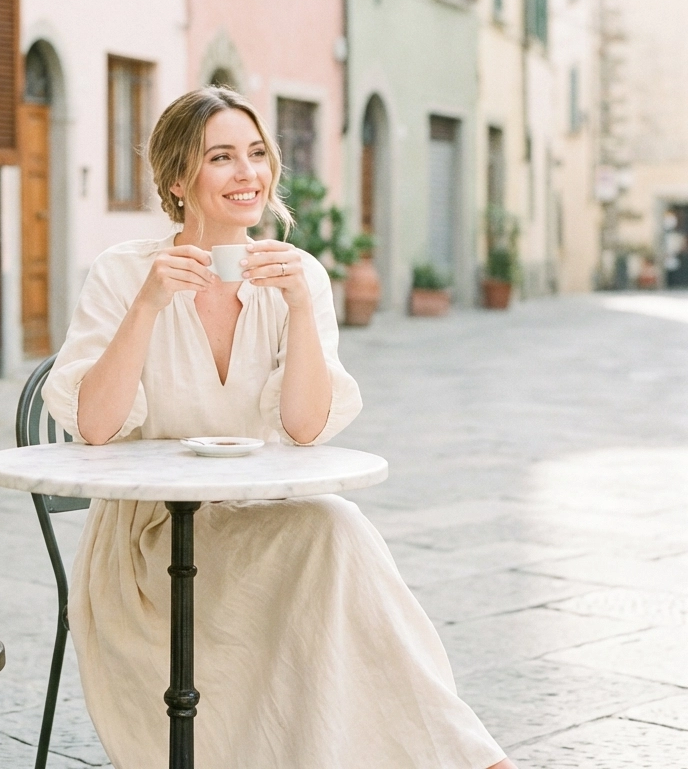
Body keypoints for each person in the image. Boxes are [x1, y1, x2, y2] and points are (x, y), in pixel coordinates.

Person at [43, 87, 515, 769]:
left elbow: (302, 430)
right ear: (179, 180)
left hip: (265, 523)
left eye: (258, 155)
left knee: (335, 531)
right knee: (334, 537)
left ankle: (462, 756)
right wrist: (148, 304)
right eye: (223, 158)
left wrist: (297, 308)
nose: (249, 174)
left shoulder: (299, 277)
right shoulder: (123, 273)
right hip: (148, 544)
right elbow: (92, 428)